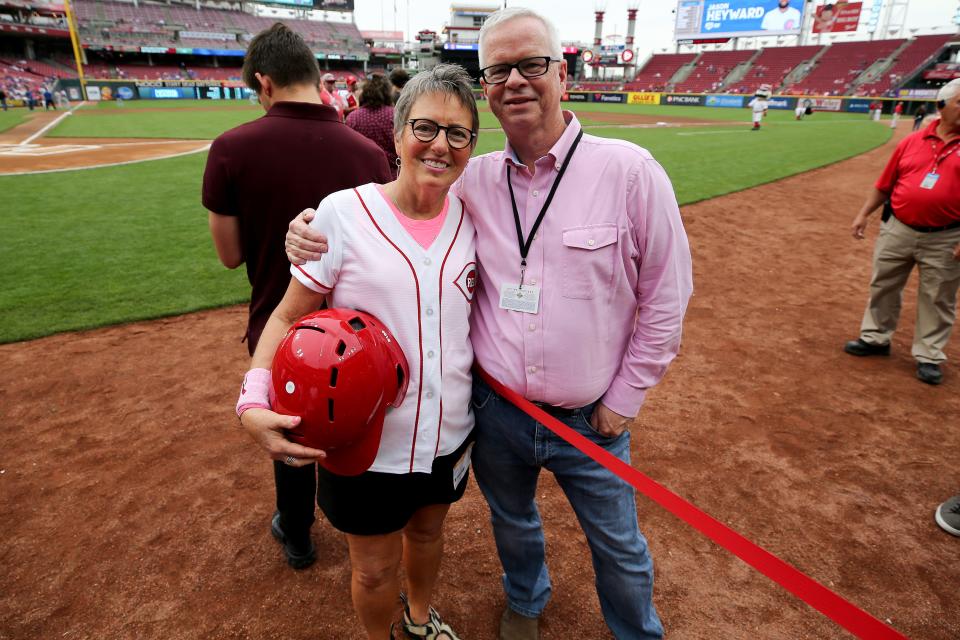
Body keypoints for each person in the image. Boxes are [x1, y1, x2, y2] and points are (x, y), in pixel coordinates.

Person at [287, 8, 693, 639]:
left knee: (619, 545)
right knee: (513, 522)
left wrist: (626, 396)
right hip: (497, 410)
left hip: (593, 415)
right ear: (486, 85)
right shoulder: (471, 177)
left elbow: (667, 297)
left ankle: (636, 632)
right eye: (498, 69)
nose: (515, 81)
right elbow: (395, 205)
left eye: (531, 64)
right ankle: (525, 605)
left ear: (562, 73)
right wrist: (308, 228)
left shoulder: (631, 172)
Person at [239, 63, 479, 640]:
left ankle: (421, 621)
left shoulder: (476, 215)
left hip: (449, 432)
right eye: (424, 127)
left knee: (427, 536)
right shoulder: (343, 213)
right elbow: (289, 314)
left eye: (458, 133)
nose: (439, 145)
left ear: (472, 145)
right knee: (372, 571)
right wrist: (252, 397)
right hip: (366, 443)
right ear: (395, 134)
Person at [202, 23, 392, 570]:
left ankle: (299, 531)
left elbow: (230, 255)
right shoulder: (367, 152)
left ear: (263, 82)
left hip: (279, 320)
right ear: (316, 77)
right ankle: (367, 524)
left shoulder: (231, 148)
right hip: (358, 329)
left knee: (290, 426)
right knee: (359, 415)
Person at [844, 78, 960, 386]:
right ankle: (875, 338)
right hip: (899, 227)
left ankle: (930, 354)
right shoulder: (912, 141)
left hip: (948, 235)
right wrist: (863, 213)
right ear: (942, 106)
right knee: (883, 283)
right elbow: (885, 183)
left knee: (938, 295)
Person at [346, 73, 399, 179]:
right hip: (392, 177)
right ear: (387, 92)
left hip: (362, 178)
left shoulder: (353, 118)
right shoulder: (395, 115)